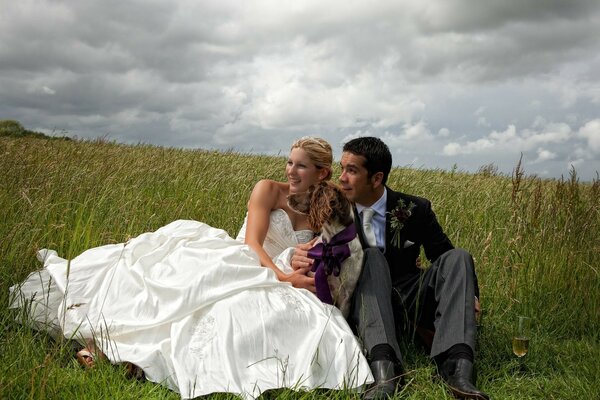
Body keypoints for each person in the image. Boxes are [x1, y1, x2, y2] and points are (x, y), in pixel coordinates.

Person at [9, 137, 373, 400]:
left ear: (321, 172)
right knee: (185, 294)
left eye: (301, 165)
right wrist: (281, 276)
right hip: (246, 258)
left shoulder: (326, 203)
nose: (291, 170)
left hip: (283, 270)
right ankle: (116, 348)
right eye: (290, 162)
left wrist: (307, 257)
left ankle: (137, 360)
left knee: (304, 321)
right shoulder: (268, 189)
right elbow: (252, 244)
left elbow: (336, 245)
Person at [293, 136, 488, 400]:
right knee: (370, 257)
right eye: (342, 169)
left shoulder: (414, 208)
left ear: (376, 178)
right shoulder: (332, 208)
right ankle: (386, 371)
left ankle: (456, 369)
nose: (342, 178)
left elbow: (443, 254)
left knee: (458, 257)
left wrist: (470, 295)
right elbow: (321, 254)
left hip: (410, 294)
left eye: (352, 171)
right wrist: (301, 259)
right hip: (366, 302)